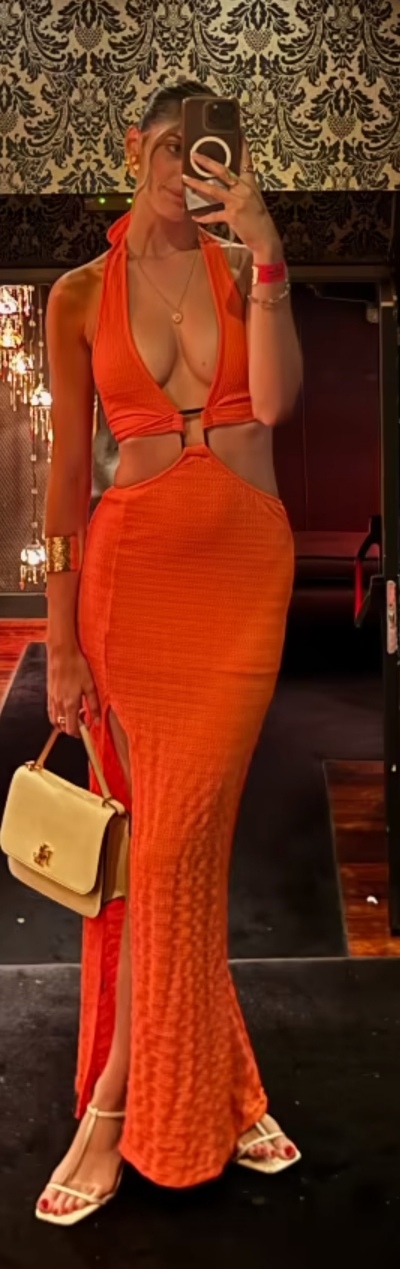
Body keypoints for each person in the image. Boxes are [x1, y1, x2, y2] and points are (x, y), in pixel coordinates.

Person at [36, 79, 303, 1226]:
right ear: (133, 146)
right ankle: (212, 1090)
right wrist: (59, 639)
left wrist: (268, 252)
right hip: (127, 588)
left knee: (179, 847)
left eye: (213, 154)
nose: (186, 169)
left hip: (240, 584)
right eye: (171, 149)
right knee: (161, 857)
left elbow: (274, 406)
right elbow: (64, 479)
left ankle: (115, 1105)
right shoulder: (77, 293)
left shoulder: (244, 271)